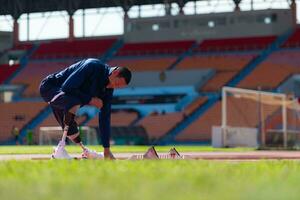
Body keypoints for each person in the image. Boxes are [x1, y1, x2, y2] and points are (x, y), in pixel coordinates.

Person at [39, 58, 131, 159]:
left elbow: (105, 118)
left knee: (73, 131)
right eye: (117, 84)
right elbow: (67, 87)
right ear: (115, 72)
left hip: (67, 97)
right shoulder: (93, 66)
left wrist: (106, 150)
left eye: (118, 87)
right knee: (75, 101)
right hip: (50, 88)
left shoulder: (108, 90)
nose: (114, 87)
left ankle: (85, 151)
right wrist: (90, 100)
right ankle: (59, 152)